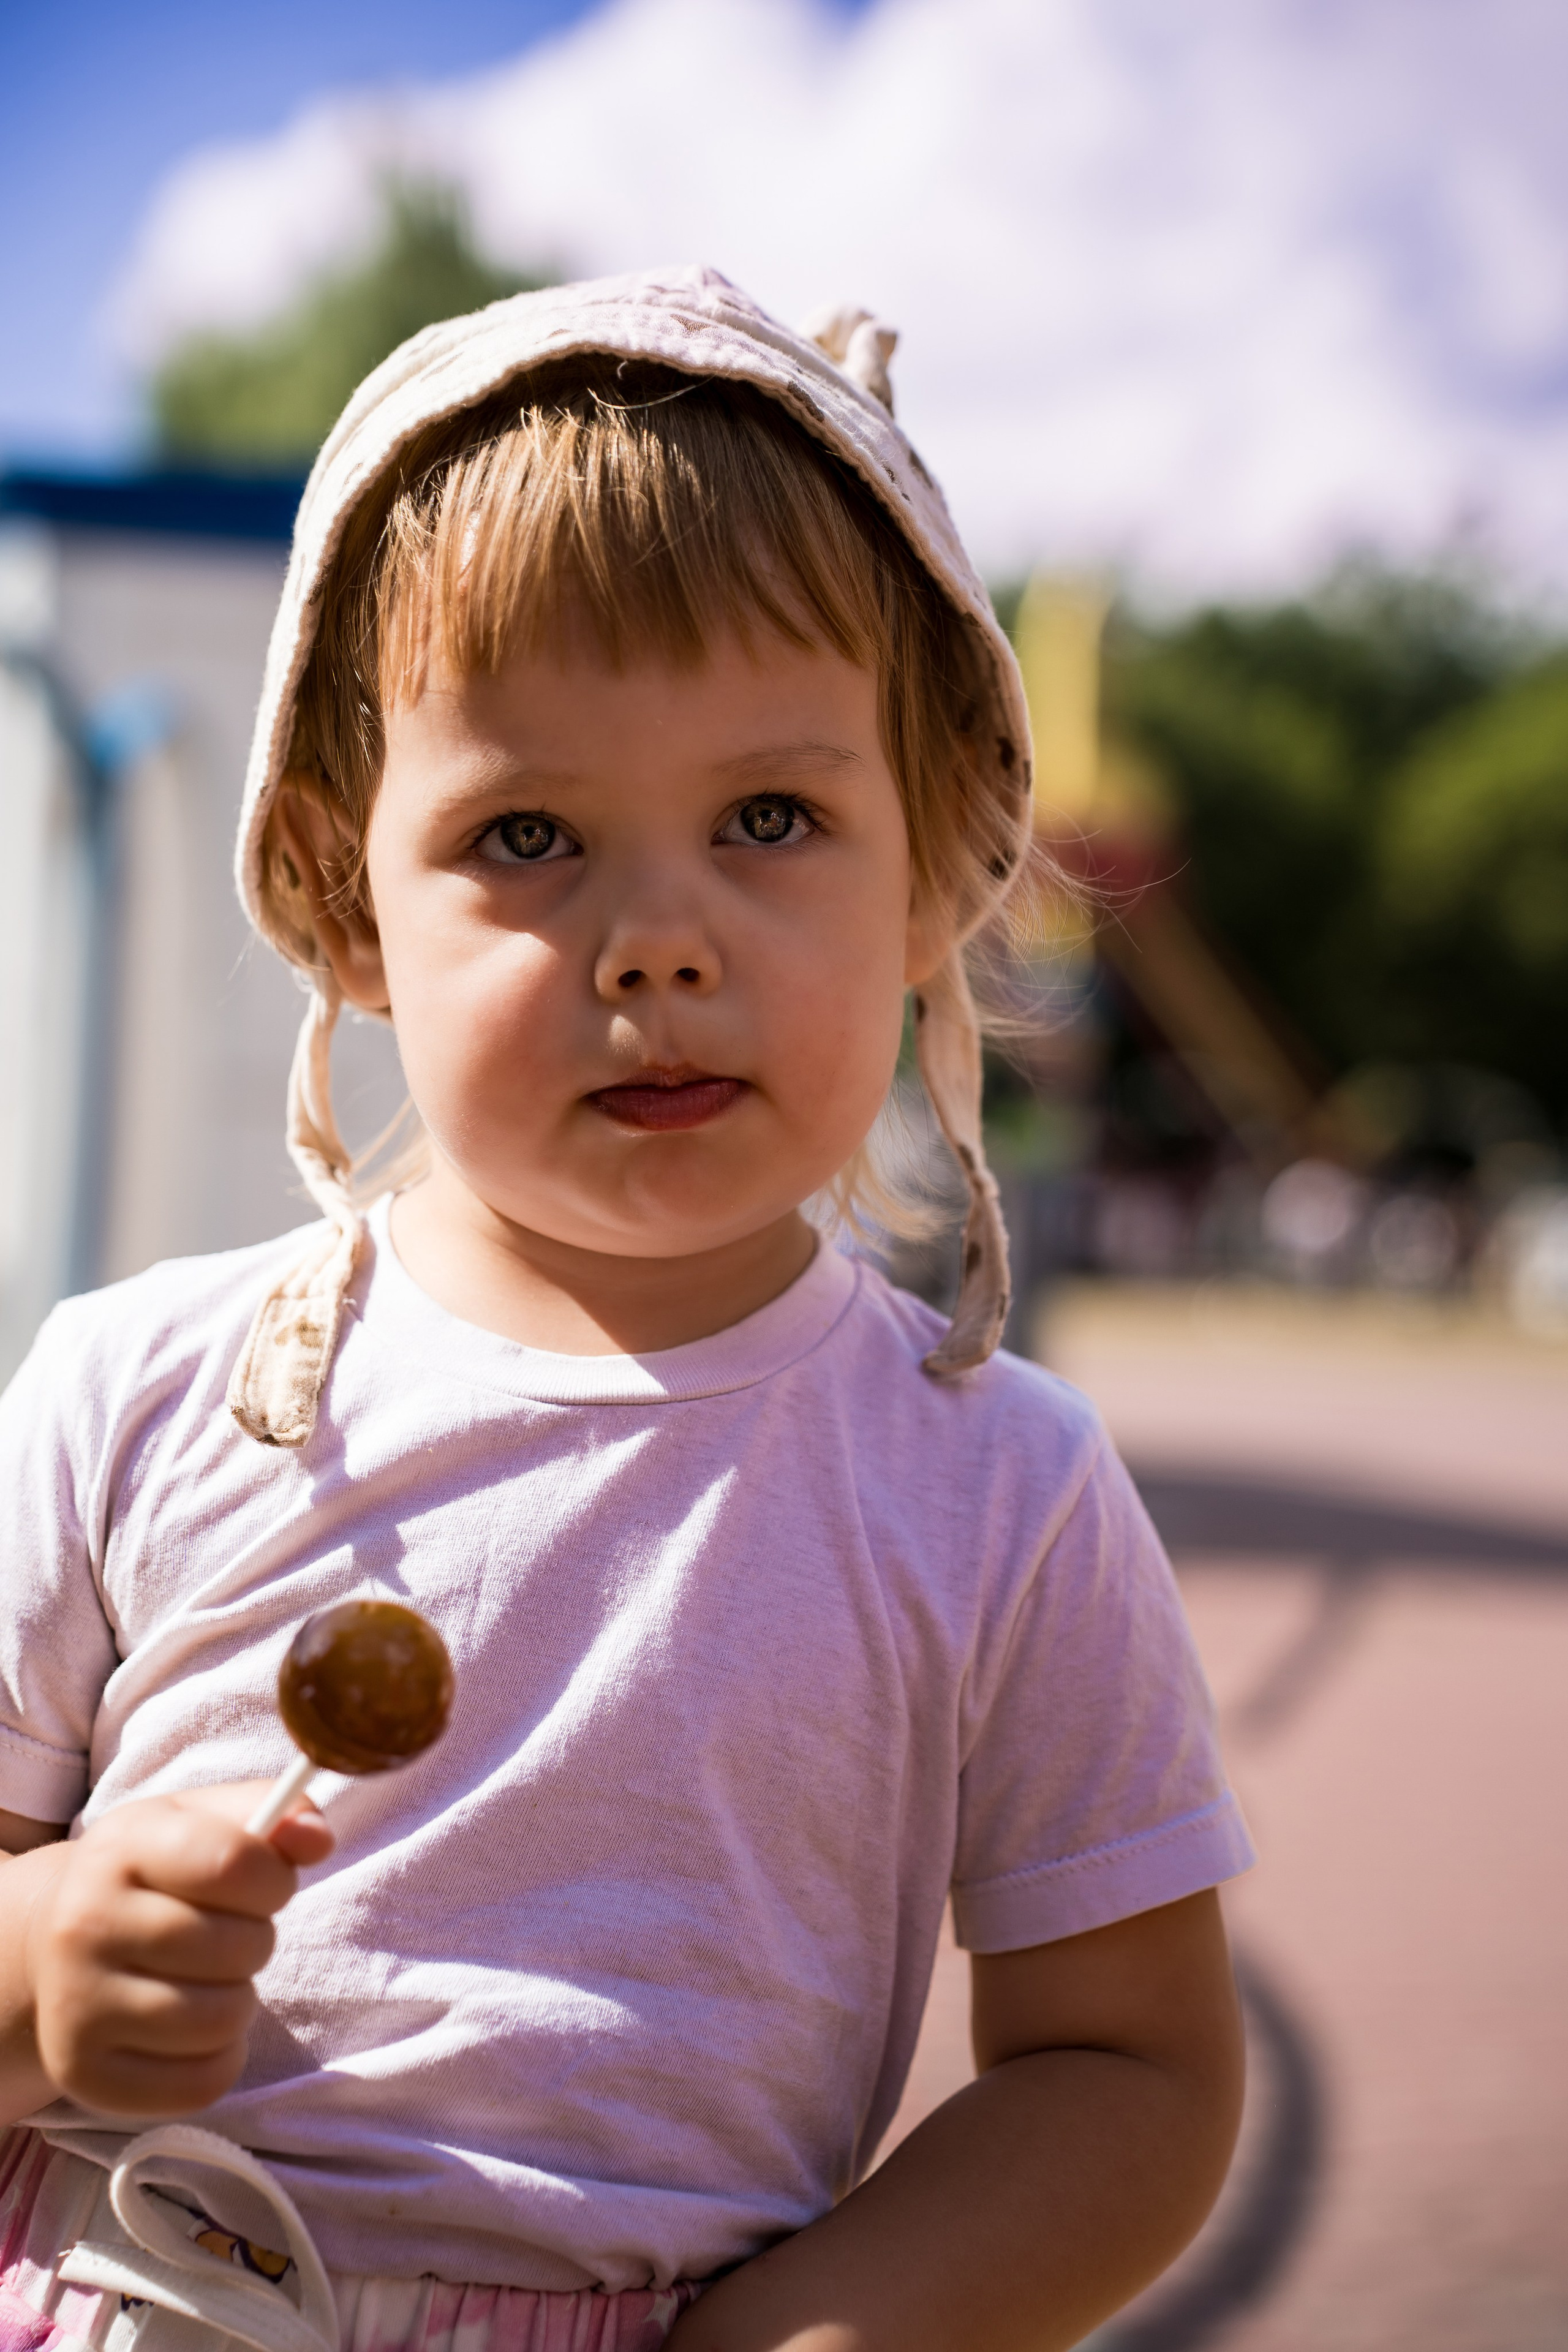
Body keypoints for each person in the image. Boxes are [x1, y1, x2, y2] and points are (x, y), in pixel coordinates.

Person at [0, 268, 1254, 2352]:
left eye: (771, 817)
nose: (658, 937)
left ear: (933, 864)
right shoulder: (139, 1392)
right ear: (343, 898)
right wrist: (41, 1968)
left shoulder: (997, 1488)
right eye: (527, 835)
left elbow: (1129, 2072)